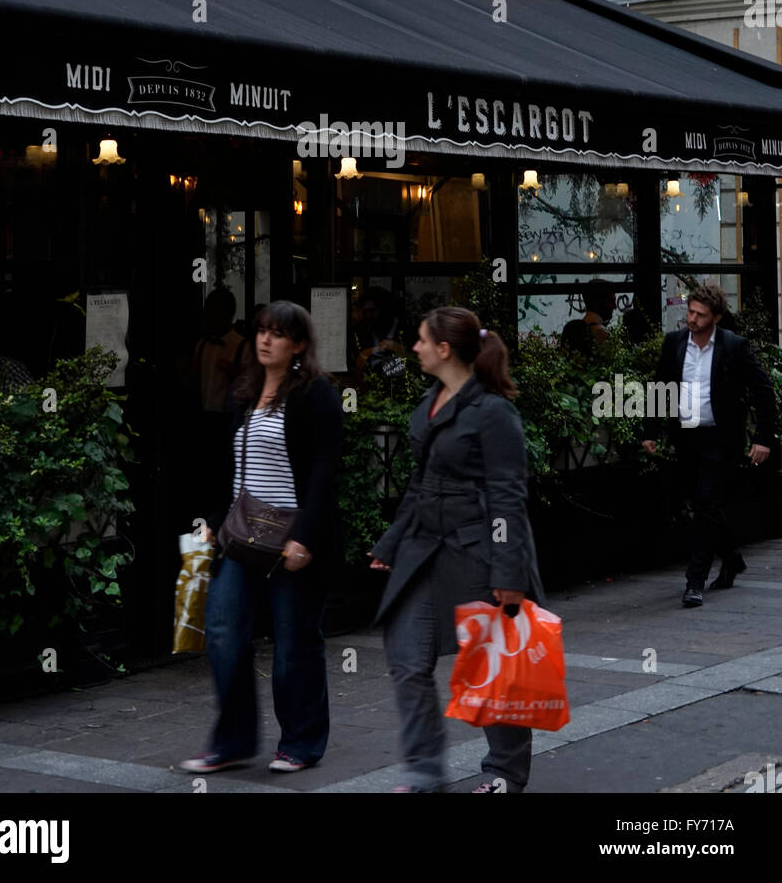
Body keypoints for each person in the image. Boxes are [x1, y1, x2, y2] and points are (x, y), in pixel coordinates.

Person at [370, 305, 545, 794]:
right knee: (406, 658)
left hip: (477, 552)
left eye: (422, 340)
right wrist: (391, 541)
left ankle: (505, 774)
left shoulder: (493, 412)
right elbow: (420, 483)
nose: (416, 347)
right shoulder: (432, 401)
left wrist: (508, 573)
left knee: (491, 670)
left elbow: (509, 497)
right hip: (424, 550)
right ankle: (425, 771)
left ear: (444, 348)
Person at [179, 300, 343, 775]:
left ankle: (302, 741)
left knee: (295, 644)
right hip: (242, 536)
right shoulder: (245, 391)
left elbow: (323, 471)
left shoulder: (316, 394)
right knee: (225, 633)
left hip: (293, 538)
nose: (265, 339)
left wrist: (306, 538)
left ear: (298, 344)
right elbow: (233, 469)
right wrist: (214, 519)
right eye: (261, 331)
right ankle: (232, 741)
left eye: (277, 333)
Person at [642, 281, 777, 608]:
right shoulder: (675, 343)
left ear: (715, 317)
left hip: (719, 438)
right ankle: (731, 559)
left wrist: (763, 438)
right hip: (685, 436)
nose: (692, 319)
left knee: (706, 501)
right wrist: (650, 431)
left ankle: (694, 581)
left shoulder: (733, 347)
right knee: (702, 505)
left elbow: (763, 392)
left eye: (700, 315)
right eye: (690, 312)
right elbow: (659, 387)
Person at [560, 279, 617, 357]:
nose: (615, 306)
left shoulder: (576, 329)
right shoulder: (602, 333)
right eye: (611, 301)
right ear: (597, 302)